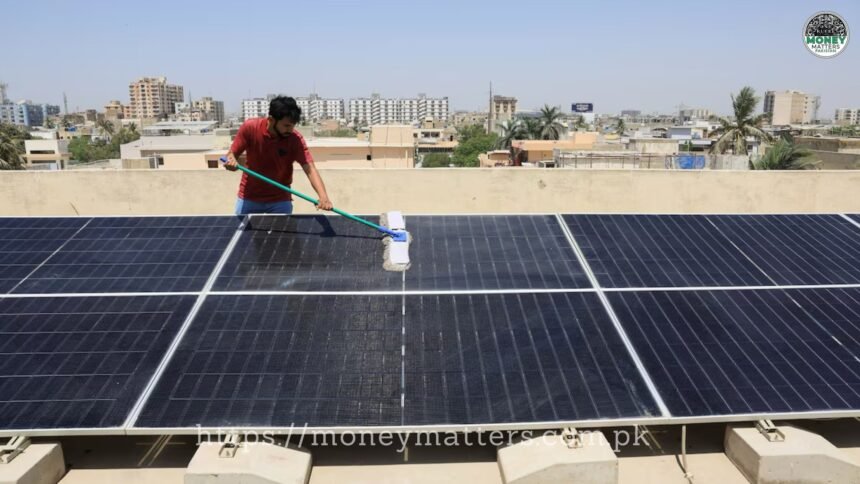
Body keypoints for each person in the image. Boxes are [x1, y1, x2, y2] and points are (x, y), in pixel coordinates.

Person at [224, 96, 333, 215]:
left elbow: (310, 169)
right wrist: (230, 163)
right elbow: (231, 155)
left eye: (293, 125)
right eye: (286, 126)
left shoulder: (295, 139)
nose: (290, 130)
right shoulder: (250, 128)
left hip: (280, 201)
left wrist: (323, 197)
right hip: (249, 198)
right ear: (271, 119)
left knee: (284, 228)